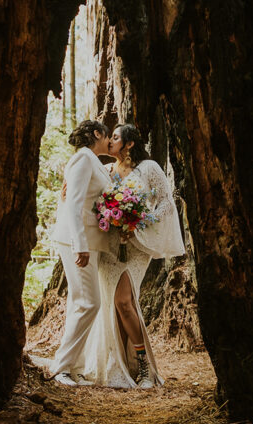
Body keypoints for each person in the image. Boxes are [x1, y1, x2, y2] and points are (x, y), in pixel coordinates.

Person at [81, 123, 185, 389]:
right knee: (113, 305)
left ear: (129, 144)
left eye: (116, 137)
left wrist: (140, 221)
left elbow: (165, 202)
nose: (111, 141)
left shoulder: (149, 168)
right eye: (110, 137)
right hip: (111, 246)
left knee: (124, 301)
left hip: (136, 246)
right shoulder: (106, 171)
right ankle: (118, 366)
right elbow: (87, 193)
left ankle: (145, 369)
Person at [49, 119, 112, 386]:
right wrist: (80, 245)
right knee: (90, 303)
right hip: (78, 242)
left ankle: (70, 367)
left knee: (80, 302)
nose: (110, 141)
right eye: (107, 135)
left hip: (89, 241)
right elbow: (73, 204)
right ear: (97, 133)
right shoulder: (84, 159)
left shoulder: (93, 161)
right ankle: (61, 367)